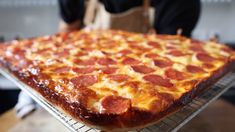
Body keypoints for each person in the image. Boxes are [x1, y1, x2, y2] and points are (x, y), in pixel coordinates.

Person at [58, 0, 201, 37]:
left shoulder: (181, 3)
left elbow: (175, 61)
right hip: (84, 80)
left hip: (147, 91)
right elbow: (67, 33)